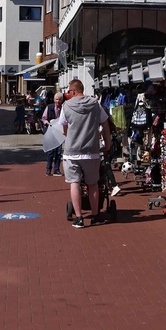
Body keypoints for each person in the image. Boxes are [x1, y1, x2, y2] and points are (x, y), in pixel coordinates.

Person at [60, 79, 111, 229]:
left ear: (73, 91)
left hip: (72, 152)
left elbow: (64, 128)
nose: (68, 94)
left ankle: (79, 218)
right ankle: (95, 216)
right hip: (91, 151)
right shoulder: (95, 104)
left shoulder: (66, 106)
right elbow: (105, 123)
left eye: (69, 91)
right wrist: (107, 144)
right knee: (93, 184)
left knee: (74, 183)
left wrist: (70, 136)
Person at [42, 92, 64, 175]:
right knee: (51, 151)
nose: (58, 101)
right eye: (57, 99)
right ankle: (48, 169)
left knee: (58, 152)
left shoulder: (63, 109)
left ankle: (56, 169)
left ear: (62, 100)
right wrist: (48, 123)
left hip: (59, 133)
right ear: (54, 100)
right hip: (50, 132)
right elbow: (44, 118)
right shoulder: (49, 107)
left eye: (60, 99)